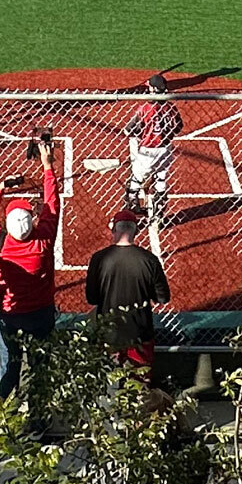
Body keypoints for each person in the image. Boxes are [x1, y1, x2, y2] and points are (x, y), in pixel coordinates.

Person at [0, 146, 58, 406]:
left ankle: (4, 414)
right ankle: (38, 418)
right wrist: (47, 166)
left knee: (10, 366)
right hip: (41, 312)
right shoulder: (43, 242)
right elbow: (52, 205)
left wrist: (1, 188)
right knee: (40, 367)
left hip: (10, 315)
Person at [83, 209, 171, 389]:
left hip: (110, 333)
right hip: (140, 332)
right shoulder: (149, 260)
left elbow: (92, 298)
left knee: (109, 383)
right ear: (136, 231)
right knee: (141, 383)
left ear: (114, 230)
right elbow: (163, 297)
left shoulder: (99, 259)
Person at [126, 75, 183, 253]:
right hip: (165, 150)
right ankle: (158, 217)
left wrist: (142, 134)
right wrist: (166, 136)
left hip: (147, 152)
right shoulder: (170, 106)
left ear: (153, 89)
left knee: (134, 184)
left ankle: (131, 215)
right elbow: (179, 126)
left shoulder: (144, 108)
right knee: (160, 181)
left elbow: (129, 129)